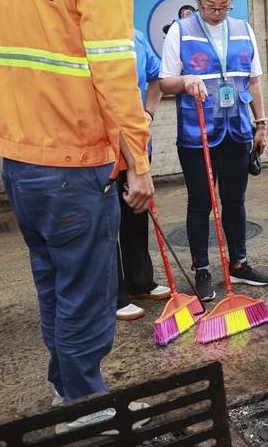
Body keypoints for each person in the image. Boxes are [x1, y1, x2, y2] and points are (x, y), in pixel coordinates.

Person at [0, 0, 156, 411]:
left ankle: (65, 387)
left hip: (19, 165)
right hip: (75, 167)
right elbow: (117, 85)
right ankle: (86, 408)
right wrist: (140, 167)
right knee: (88, 298)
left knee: (53, 286)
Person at [160, 0, 268, 301]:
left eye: (225, 7)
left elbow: (253, 80)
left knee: (235, 202)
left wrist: (261, 123)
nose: (218, 13)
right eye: (211, 6)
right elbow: (165, 82)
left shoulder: (243, 29)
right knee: (201, 203)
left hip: (236, 131)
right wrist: (185, 81)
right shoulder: (180, 30)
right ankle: (202, 269)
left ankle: (239, 263)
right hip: (198, 136)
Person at [116, 29, 170, 321]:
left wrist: (148, 112)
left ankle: (140, 282)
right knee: (106, 222)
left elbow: (157, 78)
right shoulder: (87, 35)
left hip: (136, 142)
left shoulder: (135, 36)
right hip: (102, 146)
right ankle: (114, 294)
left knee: (136, 212)